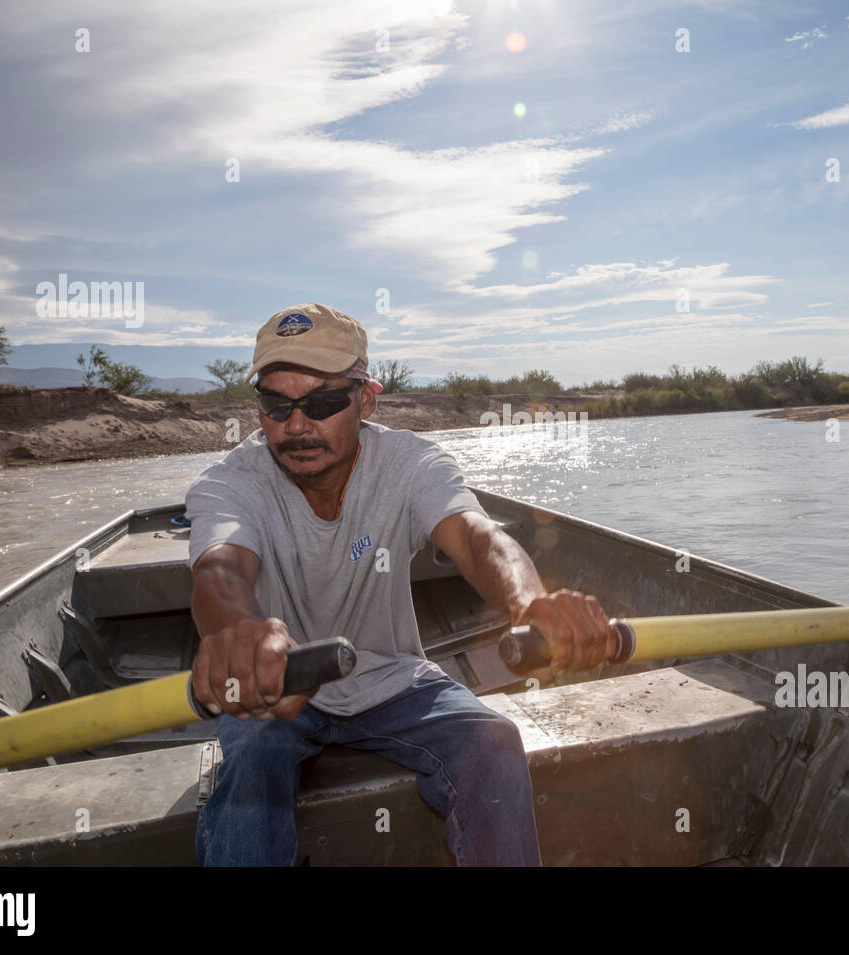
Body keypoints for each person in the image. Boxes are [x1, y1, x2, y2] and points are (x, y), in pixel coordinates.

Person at [186, 302, 614, 866]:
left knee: (493, 741)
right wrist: (238, 630)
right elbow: (220, 567)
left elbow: (476, 537)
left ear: (365, 399)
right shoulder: (231, 482)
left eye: (321, 403)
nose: (296, 425)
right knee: (251, 757)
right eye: (276, 404)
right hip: (276, 689)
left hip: (393, 679)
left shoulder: (411, 463)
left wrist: (529, 602)